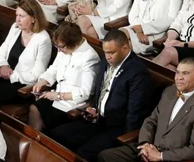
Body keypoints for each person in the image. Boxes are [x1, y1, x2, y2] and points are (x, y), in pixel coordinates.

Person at [49, 30, 152, 162]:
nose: (107, 56)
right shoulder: (106, 62)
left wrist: (125, 141)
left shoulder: (138, 73)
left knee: (83, 154)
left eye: (111, 52)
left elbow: (135, 113)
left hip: (116, 129)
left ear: (125, 48)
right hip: (96, 120)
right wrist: (93, 108)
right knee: (56, 136)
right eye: (105, 52)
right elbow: (102, 91)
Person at [98, 57, 194, 162]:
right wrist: (145, 145)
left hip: (169, 157)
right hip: (149, 147)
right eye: (177, 73)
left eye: (185, 74)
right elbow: (151, 121)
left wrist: (160, 156)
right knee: (106, 156)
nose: (179, 78)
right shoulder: (169, 92)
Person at [0, 0, 51, 106]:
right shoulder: (15, 28)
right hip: (4, 72)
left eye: (22, 16)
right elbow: (0, 53)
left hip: (21, 82)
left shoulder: (43, 39)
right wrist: (3, 66)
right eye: (16, 15)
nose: (17, 20)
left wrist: (11, 75)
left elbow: (37, 74)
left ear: (33, 18)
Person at [28, 22, 100, 132]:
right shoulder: (64, 50)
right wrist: (43, 81)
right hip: (55, 97)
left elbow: (85, 92)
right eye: (57, 46)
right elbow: (54, 68)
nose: (59, 50)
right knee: (34, 108)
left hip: (72, 105)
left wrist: (58, 96)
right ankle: (33, 141)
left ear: (74, 42)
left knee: (47, 122)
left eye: (61, 47)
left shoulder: (89, 58)